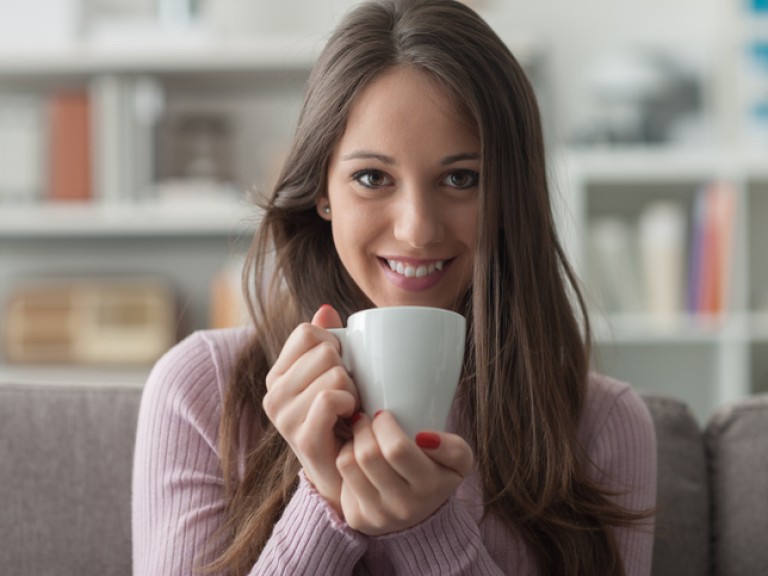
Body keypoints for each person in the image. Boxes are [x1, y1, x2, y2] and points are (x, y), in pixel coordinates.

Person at [132, 1, 657, 574]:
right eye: (372, 178)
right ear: (323, 192)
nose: (417, 229)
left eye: (461, 178)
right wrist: (325, 504)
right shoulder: (202, 392)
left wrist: (429, 531)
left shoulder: (603, 426)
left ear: (511, 198)